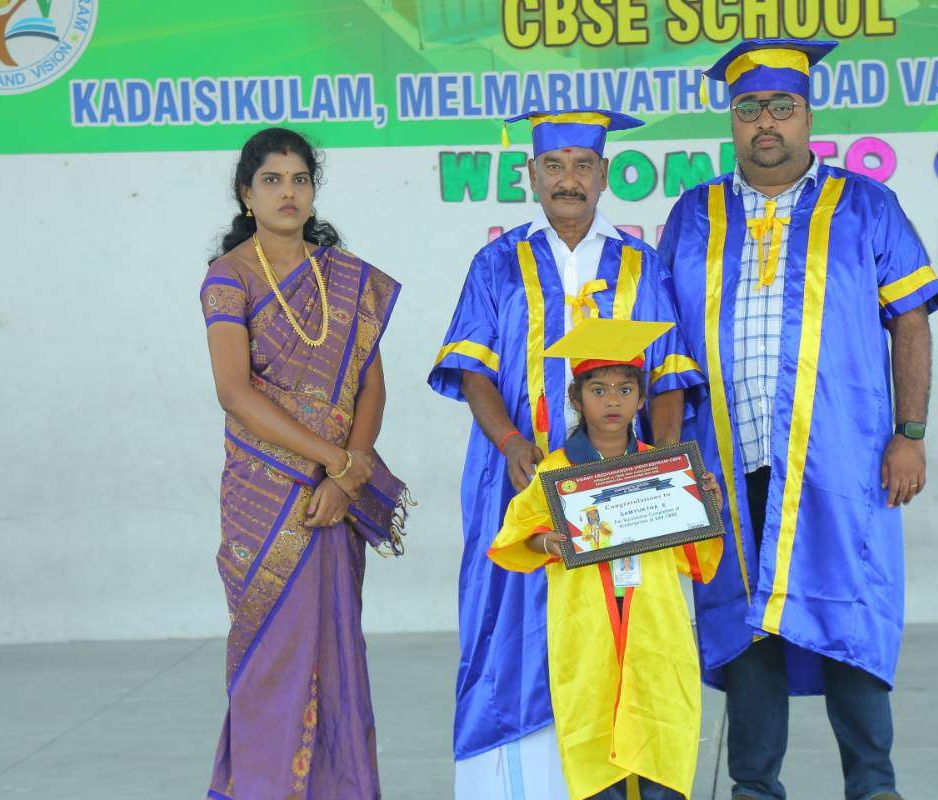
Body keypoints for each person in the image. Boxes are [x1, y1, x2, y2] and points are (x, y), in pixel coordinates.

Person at [658, 39, 938, 800]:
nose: (765, 123)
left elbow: (911, 322)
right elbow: (663, 342)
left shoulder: (867, 205)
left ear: (808, 116)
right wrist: (664, 454)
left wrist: (910, 435)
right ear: (732, 120)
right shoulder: (693, 214)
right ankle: (754, 788)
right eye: (749, 108)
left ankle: (873, 787)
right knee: (744, 624)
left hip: (841, 460)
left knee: (850, 614)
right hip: (724, 458)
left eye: (781, 106)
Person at [428, 109, 704, 798]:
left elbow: (670, 373)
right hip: (516, 477)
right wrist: (510, 441)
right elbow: (473, 370)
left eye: (583, 165)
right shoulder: (497, 262)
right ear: (532, 174)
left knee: (619, 623)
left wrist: (662, 463)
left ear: (605, 175)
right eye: (554, 166)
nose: (568, 179)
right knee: (508, 616)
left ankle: (618, 774)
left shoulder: (641, 263)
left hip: (622, 485)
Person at [200, 127, 408, 800]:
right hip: (265, 496)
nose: (287, 192)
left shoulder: (346, 279)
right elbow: (235, 392)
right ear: (246, 193)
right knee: (272, 656)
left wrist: (348, 475)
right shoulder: (228, 278)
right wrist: (334, 461)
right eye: (272, 180)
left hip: (334, 494)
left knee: (335, 649)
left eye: (299, 179)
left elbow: (372, 388)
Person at [488, 317, 722, 800]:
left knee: (661, 726)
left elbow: (694, 558)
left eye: (624, 389)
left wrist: (704, 507)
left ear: (641, 399)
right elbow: (515, 536)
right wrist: (548, 543)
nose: (612, 400)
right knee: (593, 731)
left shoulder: (665, 469)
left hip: (653, 620)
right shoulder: (556, 471)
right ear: (576, 399)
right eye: (597, 390)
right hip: (587, 624)